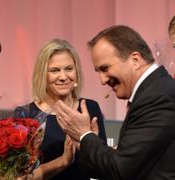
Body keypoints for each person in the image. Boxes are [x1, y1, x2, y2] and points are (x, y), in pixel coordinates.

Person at [56, 25, 175, 180]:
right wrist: (86, 143)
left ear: (135, 59)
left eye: (105, 69)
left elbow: (121, 170)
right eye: (98, 72)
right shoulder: (152, 92)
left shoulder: (158, 96)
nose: (102, 80)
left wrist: (84, 135)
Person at [13, 38, 107, 180]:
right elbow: (19, 177)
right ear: (43, 74)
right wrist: (63, 161)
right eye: (54, 70)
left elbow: (102, 169)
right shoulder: (25, 114)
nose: (63, 77)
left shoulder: (90, 108)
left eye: (69, 69)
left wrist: (92, 148)